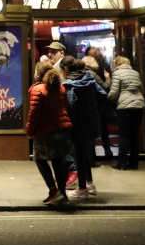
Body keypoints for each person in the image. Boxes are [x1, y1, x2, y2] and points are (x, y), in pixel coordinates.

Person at [26, 61, 73, 205]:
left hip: (45, 131)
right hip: (62, 129)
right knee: (58, 161)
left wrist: (29, 130)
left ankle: (53, 190)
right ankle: (62, 193)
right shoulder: (60, 88)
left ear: (39, 75)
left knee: (39, 159)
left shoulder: (38, 89)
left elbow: (34, 113)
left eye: (35, 71)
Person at [62, 56, 104, 200]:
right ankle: (89, 183)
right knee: (84, 152)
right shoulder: (89, 80)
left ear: (66, 70)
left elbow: (70, 105)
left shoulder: (69, 85)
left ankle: (82, 189)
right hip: (91, 121)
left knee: (78, 155)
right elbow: (103, 94)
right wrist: (95, 110)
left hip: (77, 124)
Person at [105, 55, 145, 171]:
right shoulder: (135, 73)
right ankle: (134, 163)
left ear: (117, 64)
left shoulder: (117, 73)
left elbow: (114, 92)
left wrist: (107, 98)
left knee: (123, 135)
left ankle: (121, 163)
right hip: (139, 105)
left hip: (125, 107)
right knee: (134, 135)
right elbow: (140, 88)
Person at [87, 46, 115, 163]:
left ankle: (104, 150)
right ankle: (105, 150)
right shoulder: (100, 67)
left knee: (101, 126)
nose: (90, 57)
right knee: (101, 126)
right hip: (99, 100)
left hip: (100, 101)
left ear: (97, 55)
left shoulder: (103, 66)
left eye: (92, 55)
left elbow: (105, 85)